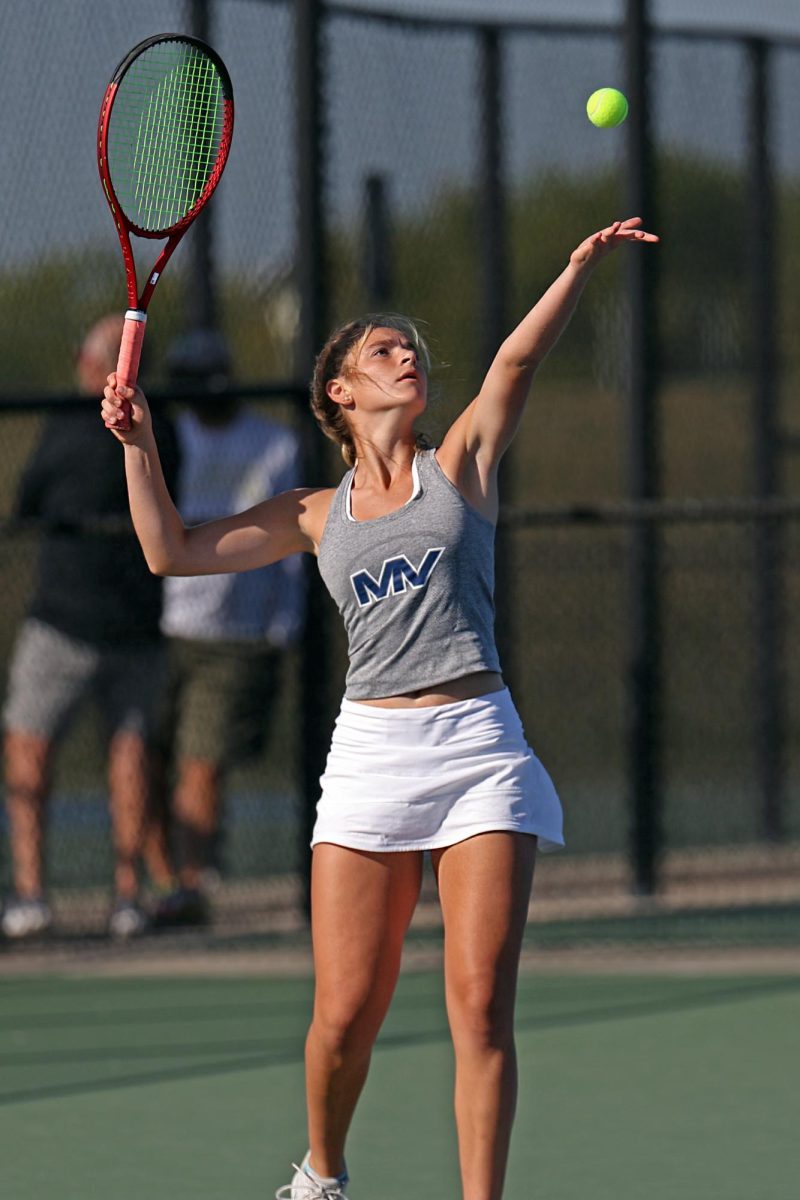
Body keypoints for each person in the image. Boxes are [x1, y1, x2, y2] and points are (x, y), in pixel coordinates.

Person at [101, 217, 658, 1198]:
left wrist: (574, 267)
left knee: (480, 1005)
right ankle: (321, 1172)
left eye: (412, 350)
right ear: (339, 394)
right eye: (382, 350)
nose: (408, 358)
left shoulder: (462, 469)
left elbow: (515, 363)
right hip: (369, 759)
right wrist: (139, 444)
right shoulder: (313, 512)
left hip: (479, 748)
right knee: (343, 1014)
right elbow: (170, 552)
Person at [2, 314, 179, 941]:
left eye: (91, 353)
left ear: (114, 366)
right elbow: (29, 505)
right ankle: (31, 896)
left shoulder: (149, 430)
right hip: (61, 625)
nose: (80, 361)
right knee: (28, 747)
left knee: (129, 755)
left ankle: (124, 896)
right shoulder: (79, 424)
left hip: (130, 628)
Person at [150, 329, 304, 926]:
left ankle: (193, 885)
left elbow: (292, 548)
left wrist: (281, 626)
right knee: (147, 756)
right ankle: (163, 882)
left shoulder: (273, 444)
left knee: (201, 762)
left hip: (237, 635)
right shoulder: (173, 436)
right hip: (167, 627)